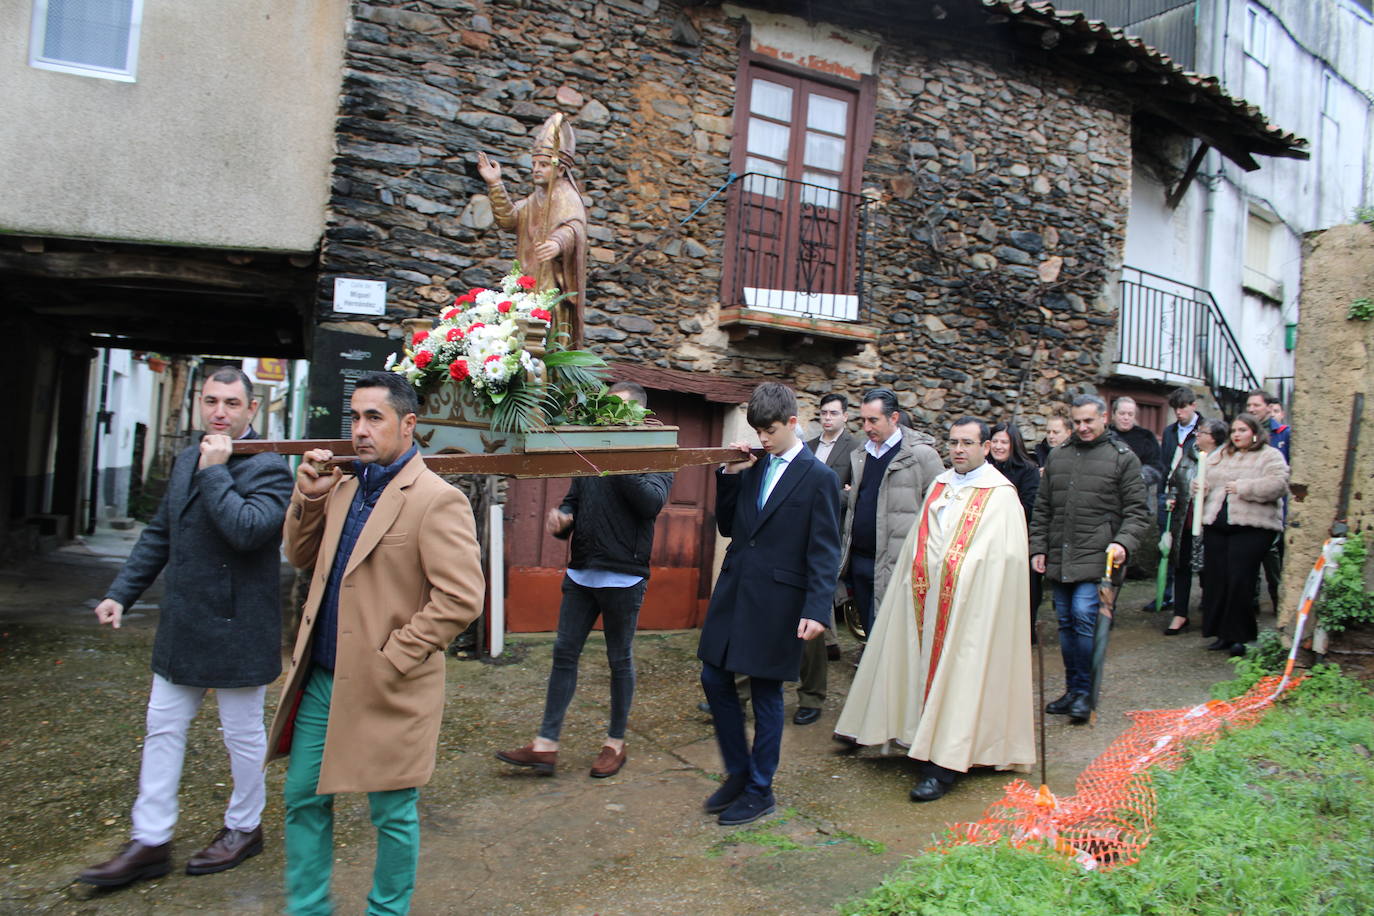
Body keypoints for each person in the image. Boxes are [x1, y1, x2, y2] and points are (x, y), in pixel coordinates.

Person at [268, 372, 485, 915]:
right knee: (302, 796)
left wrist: (396, 655)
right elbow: (299, 556)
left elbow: (461, 598)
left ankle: (386, 911)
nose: (359, 431)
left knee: (392, 811)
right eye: (355, 418)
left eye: (374, 418)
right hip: (322, 679)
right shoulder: (341, 486)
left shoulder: (438, 499)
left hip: (389, 684)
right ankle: (308, 908)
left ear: (408, 425)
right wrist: (310, 498)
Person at [78, 367, 293, 888]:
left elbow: (246, 531)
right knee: (162, 728)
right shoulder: (183, 460)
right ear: (201, 402)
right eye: (212, 400)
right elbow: (160, 533)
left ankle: (244, 828)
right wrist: (119, 594)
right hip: (184, 622)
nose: (220, 411)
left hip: (239, 625)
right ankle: (150, 841)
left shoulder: (271, 468)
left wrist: (216, 470)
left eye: (232, 403)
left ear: (251, 411)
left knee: (241, 733)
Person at [834, 418, 1034, 801]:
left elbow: (1003, 558)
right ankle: (900, 731)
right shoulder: (940, 485)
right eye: (953, 442)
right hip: (924, 599)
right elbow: (918, 541)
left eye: (967, 443)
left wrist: (964, 575)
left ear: (986, 447)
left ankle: (945, 763)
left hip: (971, 608)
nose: (958, 450)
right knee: (910, 664)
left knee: (961, 679)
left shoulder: (1001, 495)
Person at [497, 382, 673, 777]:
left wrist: (614, 455)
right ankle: (546, 745)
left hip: (625, 577)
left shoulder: (659, 452)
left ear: (639, 417)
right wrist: (560, 520)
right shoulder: (590, 450)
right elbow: (572, 502)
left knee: (618, 660)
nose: (608, 415)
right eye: (606, 407)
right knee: (563, 654)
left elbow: (651, 503)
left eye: (618, 410)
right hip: (581, 571)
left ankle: (615, 743)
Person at [697, 383, 841, 827]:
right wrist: (729, 473)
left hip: (780, 601)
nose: (763, 439)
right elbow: (729, 525)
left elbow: (825, 550)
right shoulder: (754, 466)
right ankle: (739, 773)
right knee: (713, 677)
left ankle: (761, 790)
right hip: (736, 590)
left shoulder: (820, 478)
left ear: (794, 423)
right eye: (758, 430)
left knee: (765, 694)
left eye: (771, 431)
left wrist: (817, 610)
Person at [1029, 394, 1151, 724]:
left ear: (1103, 418)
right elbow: (1042, 509)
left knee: (1084, 618)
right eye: (1077, 422)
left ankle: (1085, 694)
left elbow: (1138, 513)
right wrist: (1038, 548)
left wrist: (1123, 542)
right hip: (1061, 556)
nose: (1083, 427)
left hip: (1099, 557)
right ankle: (1073, 689)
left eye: (1088, 421)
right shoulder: (1058, 457)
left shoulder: (1123, 458)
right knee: (1066, 624)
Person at [839, 388, 945, 637]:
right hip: (861, 561)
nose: (866, 427)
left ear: (894, 418)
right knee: (869, 633)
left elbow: (941, 511)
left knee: (895, 636)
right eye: (863, 420)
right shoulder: (861, 455)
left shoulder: (921, 456)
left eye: (873, 420)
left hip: (898, 564)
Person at [477, 113, 588, 345]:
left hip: (550, 285)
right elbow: (509, 220)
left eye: (544, 165)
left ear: (559, 170)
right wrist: (495, 184)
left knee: (549, 339)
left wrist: (557, 243)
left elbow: (574, 227)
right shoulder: (533, 199)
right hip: (527, 283)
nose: (536, 169)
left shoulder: (566, 196)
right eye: (535, 164)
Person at [789, 392, 859, 724]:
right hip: (796, 534)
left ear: (845, 417)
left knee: (815, 615)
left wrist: (839, 493)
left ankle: (812, 696)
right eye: (823, 413)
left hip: (831, 533)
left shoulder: (855, 449)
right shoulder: (808, 446)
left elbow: (854, 494)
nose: (827, 418)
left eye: (833, 413)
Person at [1196, 414, 1289, 656]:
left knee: (1240, 580)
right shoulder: (1220, 454)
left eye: (1243, 430)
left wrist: (1245, 487)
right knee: (1217, 580)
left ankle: (1240, 636)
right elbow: (1205, 479)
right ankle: (1221, 634)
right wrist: (1200, 486)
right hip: (1217, 525)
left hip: (1252, 527)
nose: (1237, 434)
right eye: (1234, 430)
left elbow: (1279, 484)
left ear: (1254, 433)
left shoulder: (1270, 455)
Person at [1163, 418, 1229, 635]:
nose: (1197, 435)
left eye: (1202, 432)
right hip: (1185, 521)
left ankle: (1211, 614)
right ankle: (1180, 614)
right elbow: (1173, 481)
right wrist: (1172, 497)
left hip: (1210, 525)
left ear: (1214, 438)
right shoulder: (1188, 456)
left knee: (1208, 571)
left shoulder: (1224, 461)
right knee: (1181, 566)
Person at [1146, 386, 1204, 614]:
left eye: (1182, 408)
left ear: (1193, 406)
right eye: (1175, 409)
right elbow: (1164, 462)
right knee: (1166, 546)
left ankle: (1198, 597)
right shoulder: (1170, 432)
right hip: (1167, 495)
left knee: (1192, 550)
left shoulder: (1204, 429)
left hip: (1191, 497)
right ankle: (1165, 594)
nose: (1179, 413)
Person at [990, 421, 1041, 636]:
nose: (998, 446)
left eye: (1004, 442)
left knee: (1024, 592)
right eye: (995, 441)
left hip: (1019, 540)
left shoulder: (1028, 470)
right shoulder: (983, 469)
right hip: (990, 541)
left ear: (1014, 445)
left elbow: (1029, 507)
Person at [1245, 390, 1286, 611]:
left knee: (1272, 562)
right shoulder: (1243, 434)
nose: (1251, 409)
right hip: (1249, 507)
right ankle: (1251, 607)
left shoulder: (1282, 434)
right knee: (1249, 565)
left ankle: (1280, 606)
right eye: (1249, 405)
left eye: (1256, 406)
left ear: (1268, 408)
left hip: (1273, 509)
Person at [1109, 396, 1162, 477]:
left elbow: (1156, 467)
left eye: (1130, 414)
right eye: (1122, 413)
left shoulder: (1146, 436)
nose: (1126, 418)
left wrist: (1137, 476)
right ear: (1113, 415)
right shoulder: (1104, 434)